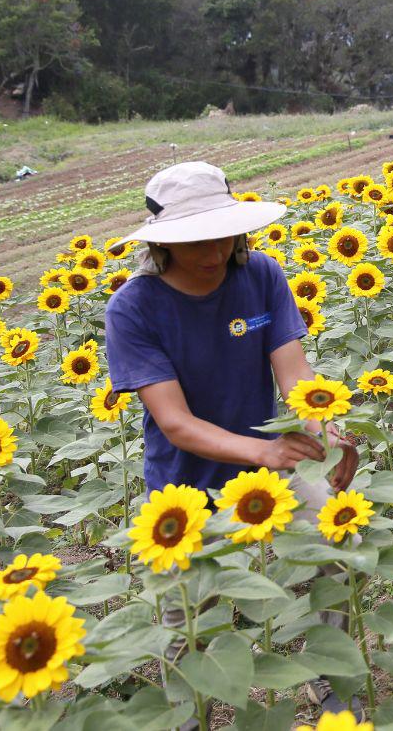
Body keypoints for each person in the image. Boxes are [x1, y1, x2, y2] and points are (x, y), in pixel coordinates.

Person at [104, 161, 358, 716]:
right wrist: (263, 450)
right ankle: (189, 714)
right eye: (196, 238)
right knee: (189, 617)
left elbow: (294, 376)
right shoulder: (133, 308)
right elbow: (175, 422)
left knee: (335, 536)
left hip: (269, 470)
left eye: (223, 232)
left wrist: (324, 428)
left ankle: (325, 671)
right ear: (164, 244)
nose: (214, 249)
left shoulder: (260, 274)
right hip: (182, 490)